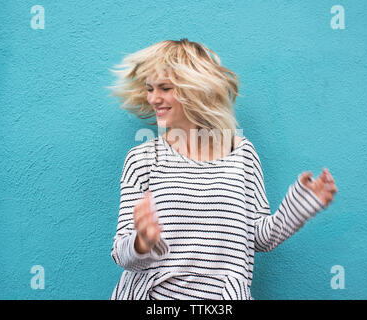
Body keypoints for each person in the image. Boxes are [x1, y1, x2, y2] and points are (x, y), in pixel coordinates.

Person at [107, 39, 338, 300]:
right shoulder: (143, 159)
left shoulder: (242, 154)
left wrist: (299, 207)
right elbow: (121, 254)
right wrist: (142, 241)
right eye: (150, 89)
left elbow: (261, 238)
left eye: (164, 88)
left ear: (194, 89)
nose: (153, 98)